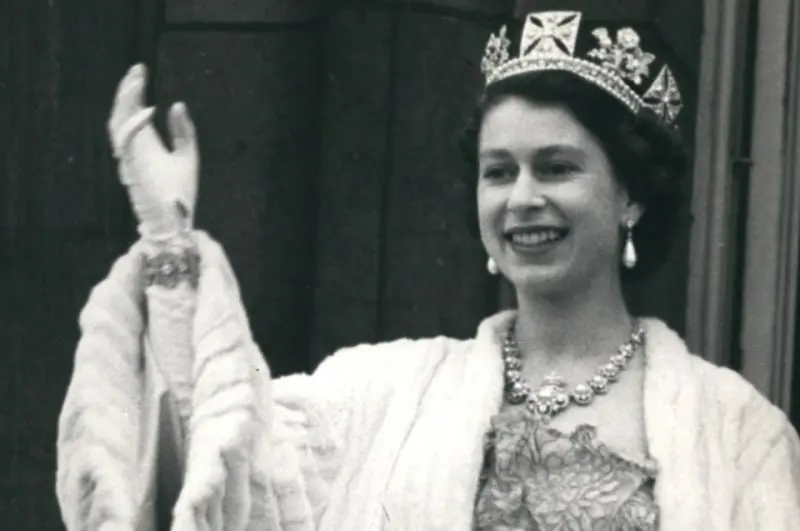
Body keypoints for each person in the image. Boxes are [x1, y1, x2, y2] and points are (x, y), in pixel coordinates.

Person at [56, 10, 800, 531]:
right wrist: (168, 238)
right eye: (498, 171)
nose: (523, 198)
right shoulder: (376, 394)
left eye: (558, 167)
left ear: (631, 194)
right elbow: (223, 479)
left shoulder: (734, 431)